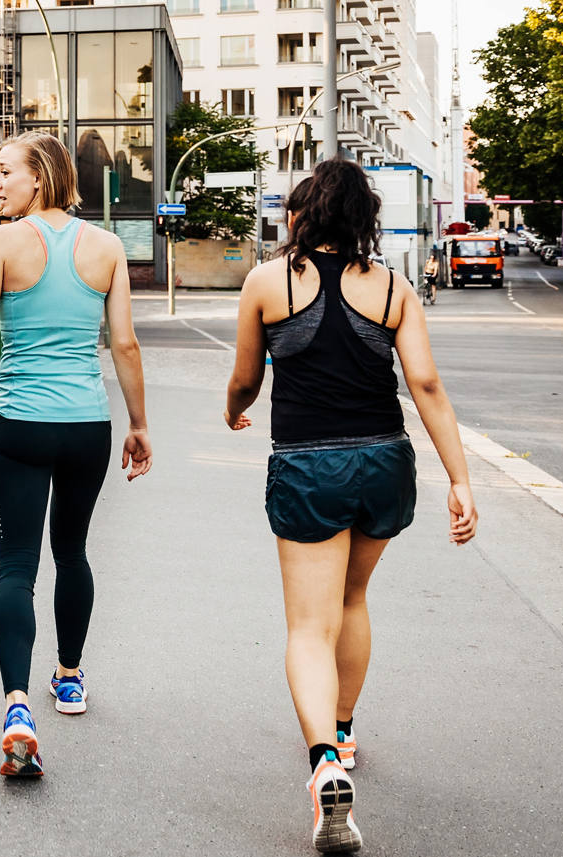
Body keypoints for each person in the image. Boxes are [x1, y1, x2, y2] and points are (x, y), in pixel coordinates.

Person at [223, 158, 478, 853]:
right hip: (385, 462)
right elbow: (425, 385)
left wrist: (233, 410)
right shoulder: (393, 288)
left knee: (309, 625)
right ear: (364, 220)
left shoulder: (267, 282)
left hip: (310, 465)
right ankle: (342, 726)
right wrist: (459, 478)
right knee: (353, 601)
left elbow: (246, 378)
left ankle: (324, 764)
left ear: (300, 216)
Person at [0, 130, 151, 777]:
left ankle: (18, 707)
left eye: (4, 173)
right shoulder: (106, 247)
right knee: (73, 551)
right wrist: (139, 424)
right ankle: (71, 677)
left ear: (40, 177)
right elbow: (126, 345)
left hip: (22, 424)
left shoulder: (1, 244)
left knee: (17, 567)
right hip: (86, 422)